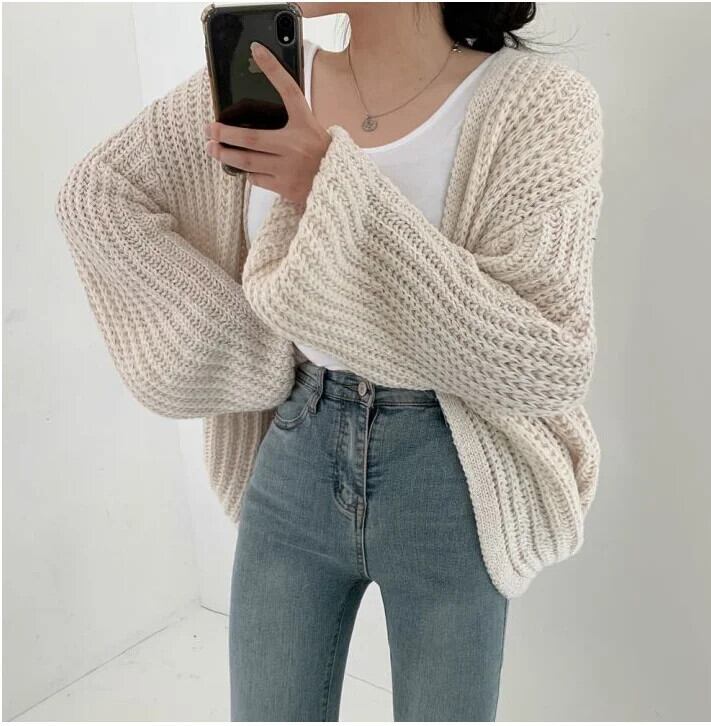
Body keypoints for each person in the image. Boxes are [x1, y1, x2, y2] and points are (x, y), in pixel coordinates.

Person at [55, 2, 604, 721]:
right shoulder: (267, 81)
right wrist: (249, 346)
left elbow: (547, 360)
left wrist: (327, 184)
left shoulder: (540, 105)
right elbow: (97, 198)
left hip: (452, 483)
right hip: (295, 459)